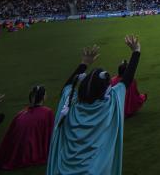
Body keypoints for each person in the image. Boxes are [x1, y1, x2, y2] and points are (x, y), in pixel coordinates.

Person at [47, 35, 141, 175]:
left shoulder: (70, 104)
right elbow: (126, 81)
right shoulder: (109, 104)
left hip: (64, 169)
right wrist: (136, 51)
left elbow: (67, 87)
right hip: (94, 170)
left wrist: (84, 64)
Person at [0, 85, 54, 170]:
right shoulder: (47, 112)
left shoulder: (22, 112)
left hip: (13, 151)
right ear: (43, 97)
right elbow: (49, 135)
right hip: (27, 151)